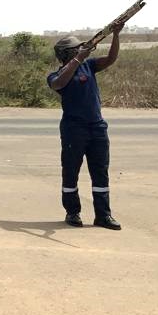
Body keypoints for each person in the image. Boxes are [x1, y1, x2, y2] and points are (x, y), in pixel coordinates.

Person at [48, 26, 123, 230]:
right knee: (71, 171)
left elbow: (111, 59)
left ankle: (103, 215)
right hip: (74, 129)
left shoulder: (89, 66)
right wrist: (79, 58)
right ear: (67, 53)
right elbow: (59, 84)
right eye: (77, 48)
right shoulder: (56, 75)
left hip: (97, 128)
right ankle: (72, 212)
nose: (81, 49)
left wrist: (116, 35)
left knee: (100, 172)